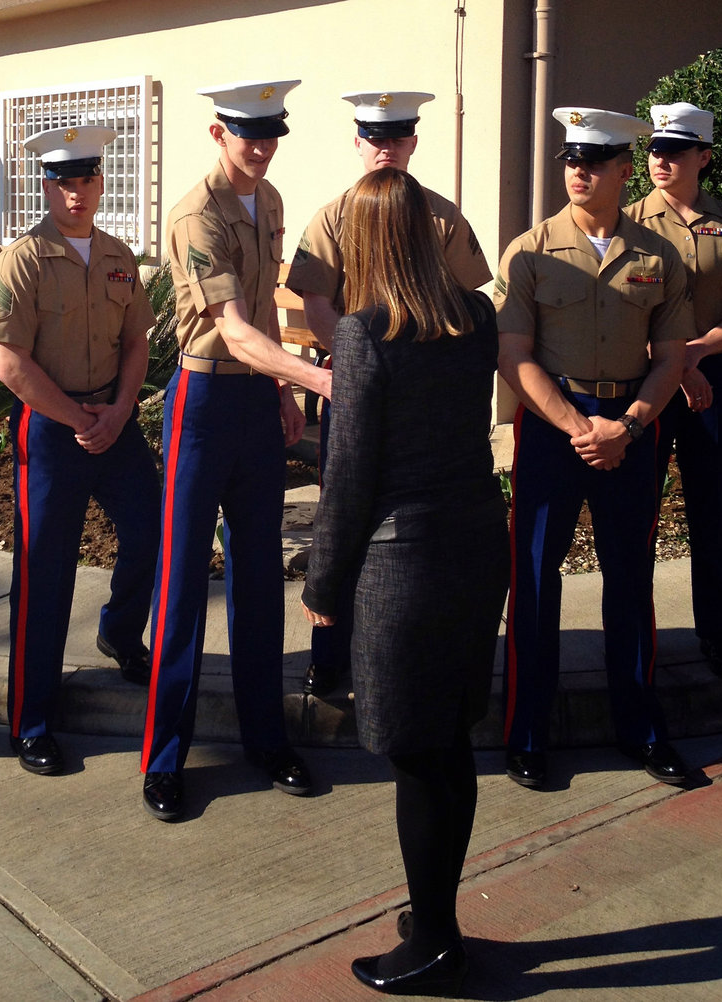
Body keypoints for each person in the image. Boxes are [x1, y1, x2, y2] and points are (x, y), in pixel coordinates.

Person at [301, 167, 509, 996]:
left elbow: (348, 474)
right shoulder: (476, 316)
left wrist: (322, 584)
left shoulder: (364, 334)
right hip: (472, 543)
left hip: (404, 561)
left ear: (365, 242)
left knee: (417, 753)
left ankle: (436, 941)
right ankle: (434, 916)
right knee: (448, 739)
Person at [140, 80, 332, 821]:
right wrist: (315, 377)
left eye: (270, 133)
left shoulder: (271, 200)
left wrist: (284, 393)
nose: (260, 146)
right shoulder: (197, 214)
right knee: (184, 584)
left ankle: (266, 740)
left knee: (258, 577)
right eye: (246, 133)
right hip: (206, 401)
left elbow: (264, 317)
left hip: (258, 398)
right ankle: (164, 760)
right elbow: (233, 327)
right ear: (217, 132)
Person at [496, 107, 696, 791]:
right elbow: (513, 356)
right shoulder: (529, 250)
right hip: (554, 428)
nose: (578, 171)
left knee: (631, 577)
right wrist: (577, 427)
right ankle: (526, 731)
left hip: (631, 425)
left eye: (593, 161)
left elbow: (671, 357)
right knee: (533, 578)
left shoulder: (657, 255)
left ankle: (641, 728)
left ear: (622, 170)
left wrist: (631, 425)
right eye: (570, 160)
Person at [287, 89, 492, 698]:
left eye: (397, 138)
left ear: (412, 143)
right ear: (358, 142)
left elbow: (467, 302)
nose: (386, 149)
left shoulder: (442, 216)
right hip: (360, 383)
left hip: (423, 395)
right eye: (375, 139)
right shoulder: (335, 215)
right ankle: (331, 656)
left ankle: (401, 647)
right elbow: (318, 300)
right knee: (345, 511)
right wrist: (354, 362)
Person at [0, 126, 160, 775]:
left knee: (153, 532)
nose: (76, 192)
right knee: (44, 573)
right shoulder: (22, 261)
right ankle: (32, 720)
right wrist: (78, 419)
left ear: (100, 182)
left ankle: (119, 632)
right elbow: (10, 362)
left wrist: (117, 410)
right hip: (54, 428)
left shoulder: (117, 255)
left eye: (86, 179)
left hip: (111, 420)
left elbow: (138, 341)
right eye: (64, 181)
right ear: (46, 186)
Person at [625, 102, 722, 678]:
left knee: (711, 510)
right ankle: (635, 638)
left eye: (675, 151)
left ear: (703, 156)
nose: (661, 160)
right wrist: (676, 364)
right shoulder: (625, 221)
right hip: (647, 378)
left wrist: (698, 352)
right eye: (655, 149)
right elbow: (626, 314)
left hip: (714, 378)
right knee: (637, 512)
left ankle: (716, 633)